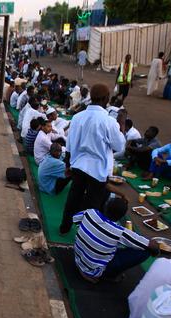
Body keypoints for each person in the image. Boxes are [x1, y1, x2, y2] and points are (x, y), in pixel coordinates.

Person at [60, 84, 125, 235]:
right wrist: (121, 124)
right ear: (105, 99)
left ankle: (65, 227)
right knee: (92, 206)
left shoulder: (78, 117)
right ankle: (85, 234)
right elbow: (119, 145)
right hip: (98, 170)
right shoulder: (109, 122)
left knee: (73, 199)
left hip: (79, 165)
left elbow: (70, 143)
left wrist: (67, 164)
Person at [72, 198, 158, 282]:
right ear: (121, 216)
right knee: (146, 252)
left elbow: (75, 219)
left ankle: (85, 267)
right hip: (94, 270)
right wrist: (156, 251)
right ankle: (107, 275)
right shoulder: (119, 231)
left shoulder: (90, 213)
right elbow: (151, 245)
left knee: (108, 244)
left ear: (105, 207)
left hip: (79, 259)